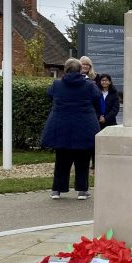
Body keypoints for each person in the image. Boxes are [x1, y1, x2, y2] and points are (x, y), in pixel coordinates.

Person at [41, 58, 100, 200]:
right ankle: (82, 190)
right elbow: (97, 96)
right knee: (83, 159)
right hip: (84, 125)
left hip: (61, 124)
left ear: (65, 70)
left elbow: (49, 95)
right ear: (80, 70)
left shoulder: (57, 84)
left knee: (61, 159)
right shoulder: (89, 85)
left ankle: (57, 190)